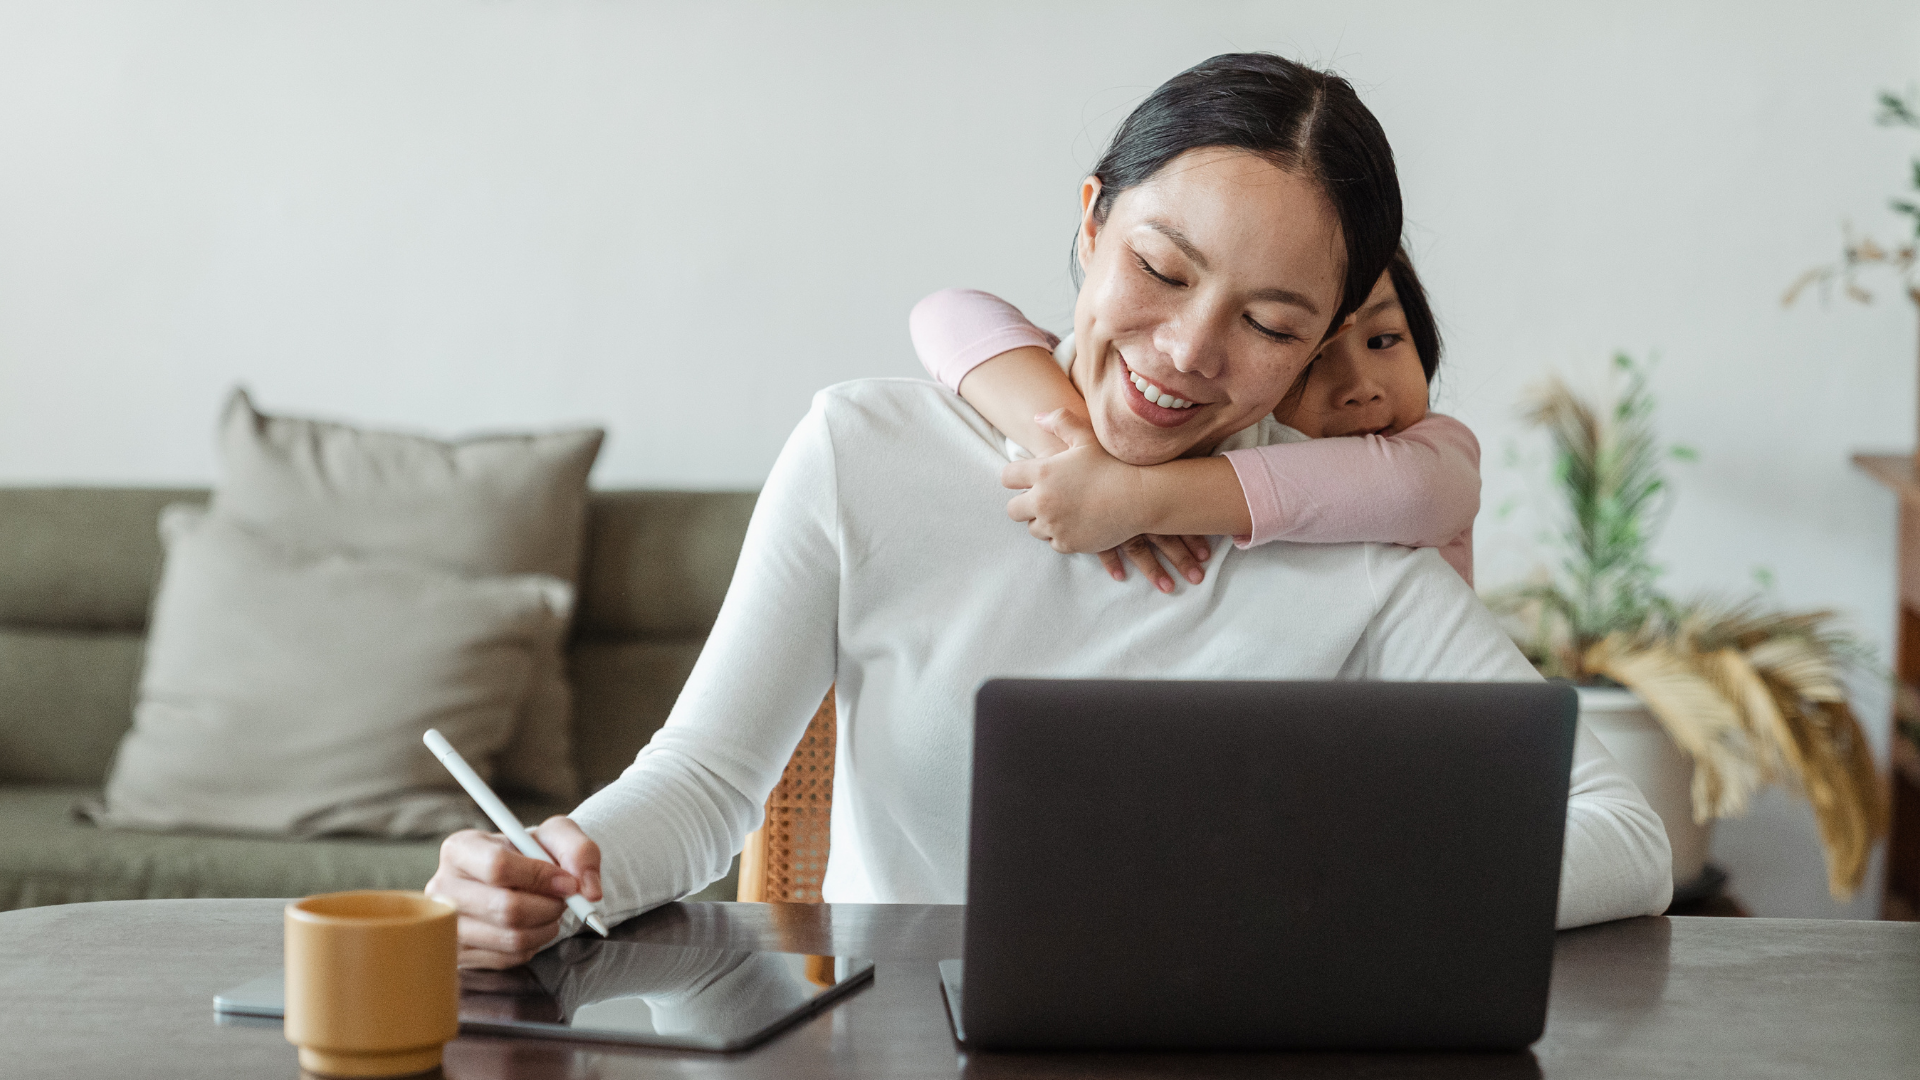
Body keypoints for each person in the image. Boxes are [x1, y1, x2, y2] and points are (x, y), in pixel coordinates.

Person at [428, 52, 1672, 969]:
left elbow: (1626, 836)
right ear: (1089, 226)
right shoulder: (868, 452)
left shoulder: (1351, 548)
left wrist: (1345, 889)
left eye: (1271, 324)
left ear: (1322, 346)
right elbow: (703, 786)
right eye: (1161, 269)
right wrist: (550, 866)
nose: (1187, 352)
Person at [907, 246, 1479, 590]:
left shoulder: (1436, 453)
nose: (1361, 389)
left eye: (1385, 339)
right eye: (1310, 359)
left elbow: (1414, 492)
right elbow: (947, 313)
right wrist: (1076, 451)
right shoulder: (1206, 426)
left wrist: (1136, 495)